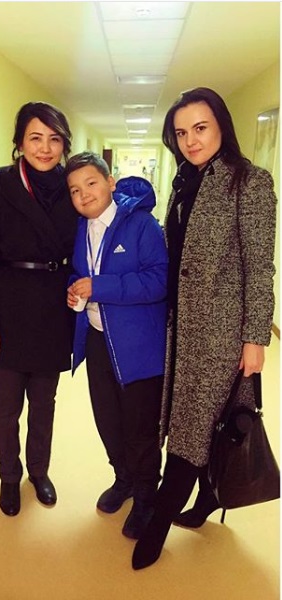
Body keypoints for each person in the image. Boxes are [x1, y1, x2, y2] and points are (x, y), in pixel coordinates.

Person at [132, 87, 277, 569]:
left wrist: (255, 338)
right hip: (181, 325)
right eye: (181, 133)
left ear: (221, 127)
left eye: (200, 128)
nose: (190, 140)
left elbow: (260, 267)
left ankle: (156, 525)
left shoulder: (250, 182)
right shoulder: (183, 182)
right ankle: (208, 498)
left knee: (192, 427)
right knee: (194, 421)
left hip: (222, 332)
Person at [0, 102, 78, 516]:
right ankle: (9, 476)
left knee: (44, 403)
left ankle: (39, 471)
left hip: (54, 310)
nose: (45, 148)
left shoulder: (71, 188)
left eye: (54, 139)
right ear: (19, 143)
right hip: (9, 310)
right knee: (6, 405)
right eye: (35, 138)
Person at [65, 152, 168, 539]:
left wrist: (100, 287)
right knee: (107, 421)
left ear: (110, 182)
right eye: (75, 190)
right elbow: (80, 273)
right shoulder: (81, 227)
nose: (84, 195)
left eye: (91, 183)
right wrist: (75, 291)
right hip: (97, 340)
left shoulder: (141, 225)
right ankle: (123, 479)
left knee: (139, 429)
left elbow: (158, 281)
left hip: (138, 344)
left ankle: (146, 497)